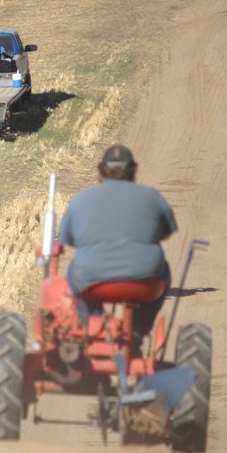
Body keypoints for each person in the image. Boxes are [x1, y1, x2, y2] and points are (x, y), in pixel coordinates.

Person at [59, 144, 178, 343]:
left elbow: (67, 238)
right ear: (133, 170)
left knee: (73, 270)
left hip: (93, 281)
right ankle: (137, 332)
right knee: (164, 269)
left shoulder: (81, 199)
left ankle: (93, 325)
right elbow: (167, 231)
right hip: (144, 281)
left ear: (102, 171)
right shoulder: (152, 197)